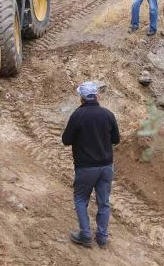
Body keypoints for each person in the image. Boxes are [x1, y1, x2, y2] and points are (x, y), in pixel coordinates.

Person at [61, 81, 121, 250]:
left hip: (85, 167)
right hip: (106, 166)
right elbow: (116, 139)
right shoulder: (108, 114)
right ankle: (102, 237)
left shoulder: (77, 115)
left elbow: (66, 140)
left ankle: (85, 234)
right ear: (97, 96)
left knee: (80, 199)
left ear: (81, 98)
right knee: (104, 202)